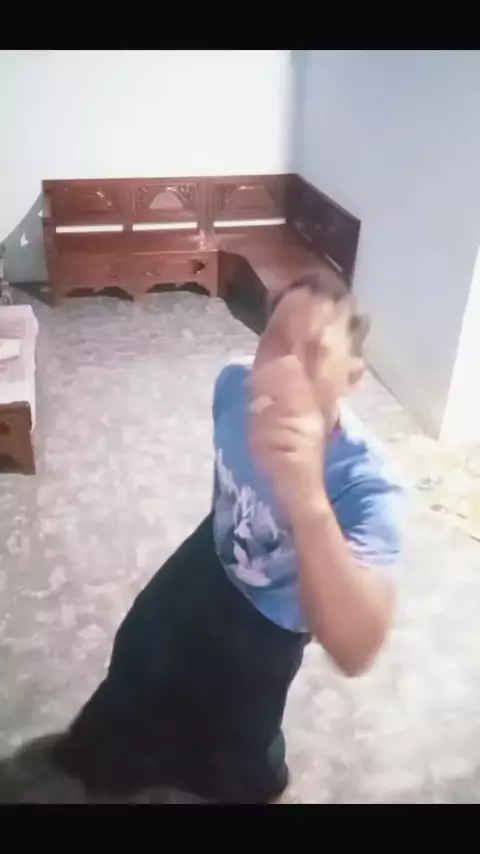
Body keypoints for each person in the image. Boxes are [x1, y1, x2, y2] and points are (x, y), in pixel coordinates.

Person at [52, 269, 404, 804]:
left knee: (240, 733)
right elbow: (227, 481)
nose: (284, 371)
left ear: (352, 376)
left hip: (274, 616)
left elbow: (357, 650)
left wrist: (306, 496)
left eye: (313, 353)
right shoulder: (232, 386)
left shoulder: (368, 484)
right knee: (140, 647)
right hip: (214, 550)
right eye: (275, 342)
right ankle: (108, 756)